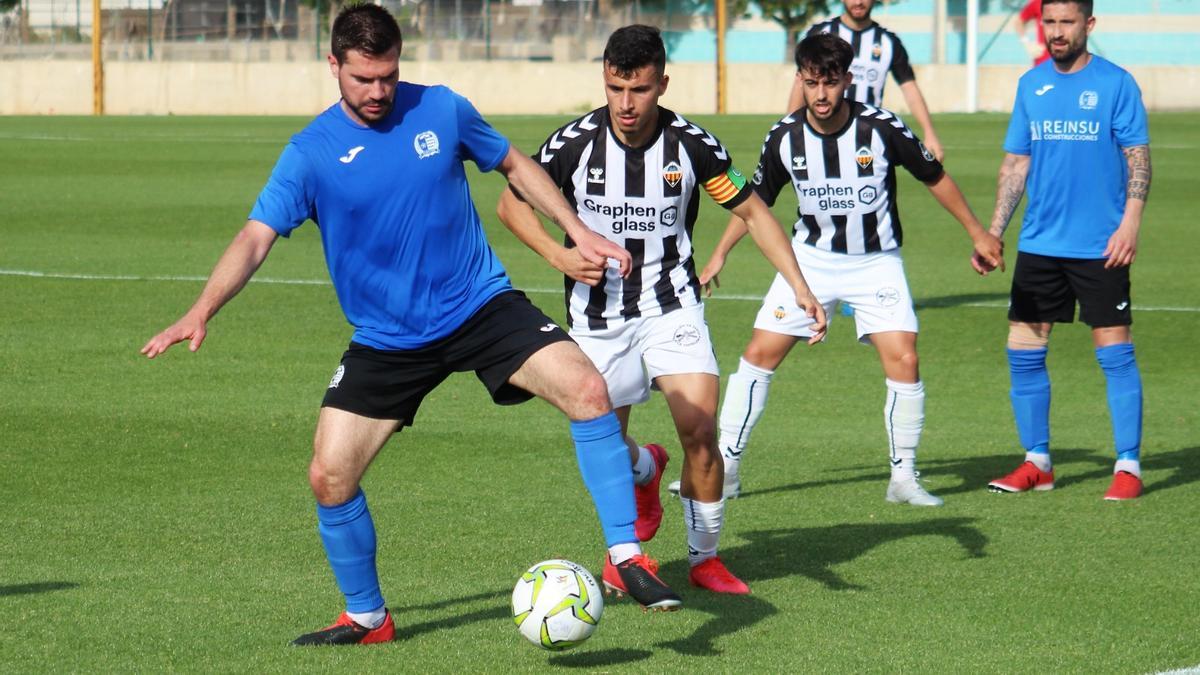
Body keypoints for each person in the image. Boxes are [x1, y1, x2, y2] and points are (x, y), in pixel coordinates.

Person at [140, 4, 684, 647]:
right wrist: (203, 308)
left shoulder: (442, 109)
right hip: (387, 339)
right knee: (329, 475)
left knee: (589, 392)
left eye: (388, 77)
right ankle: (367, 617)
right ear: (333, 65)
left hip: (480, 307)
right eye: (363, 79)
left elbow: (513, 164)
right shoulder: (310, 154)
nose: (377, 92)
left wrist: (578, 230)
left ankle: (626, 557)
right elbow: (256, 237)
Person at [497, 25, 826, 596]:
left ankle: (705, 559)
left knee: (700, 430)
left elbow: (754, 213)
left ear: (663, 84)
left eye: (641, 89)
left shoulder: (692, 145)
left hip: (672, 306)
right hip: (598, 318)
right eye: (615, 87)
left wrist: (799, 284)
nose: (626, 104)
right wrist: (559, 254)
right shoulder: (572, 143)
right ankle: (644, 476)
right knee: (609, 446)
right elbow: (509, 203)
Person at [706, 32, 1004, 506]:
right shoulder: (784, 136)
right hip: (811, 262)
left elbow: (935, 177)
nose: (820, 94)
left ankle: (903, 478)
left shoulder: (882, 127)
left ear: (847, 80)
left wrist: (977, 232)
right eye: (810, 83)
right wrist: (720, 253)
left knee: (904, 357)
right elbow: (755, 203)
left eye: (829, 82)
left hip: (876, 263)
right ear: (800, 81)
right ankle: (725, 470)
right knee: (759, 354)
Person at [982, 0, 1150, 500]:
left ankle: (1128, 466)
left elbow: (1137, 156)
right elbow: (1016, 165)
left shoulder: (1117, 82)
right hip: (1040, 244)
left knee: (1115, 353)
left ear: (1088, 25)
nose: (1056, 32)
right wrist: (994, 232)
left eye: (1066, 23)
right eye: (1049, 22)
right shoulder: (1031, 85)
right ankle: (1038, 463)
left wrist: (1131, 224)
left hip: (1101, 244)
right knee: (1024, 352)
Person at [788, 0, 945, 162]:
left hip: (870, 138)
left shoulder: (888, 42)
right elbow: (800, 84)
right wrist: (790, 131)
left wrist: (929, 133)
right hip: (823, 135)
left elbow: (910, 88)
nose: (858, 2)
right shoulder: (820, 34)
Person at [1016, 0, 1051, 67]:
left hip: (1068, 59)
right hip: (1043, 59)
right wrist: (1027, 43)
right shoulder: (1037, 3)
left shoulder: (1073, 3)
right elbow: (1019, 22)